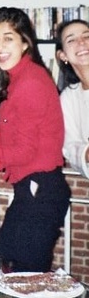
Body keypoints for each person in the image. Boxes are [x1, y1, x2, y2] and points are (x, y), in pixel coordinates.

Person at [0, 7, 71, 273]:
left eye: (8, 38)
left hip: (40, 188)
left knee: (25, 277)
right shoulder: (20, 77)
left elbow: (25, 152)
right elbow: (19, 127)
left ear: (25, 42)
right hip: (34, 188)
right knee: (10, 265)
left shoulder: (30, 82)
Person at [56, 19, 89, 179]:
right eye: (71, 40)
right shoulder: (69, 97)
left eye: (87, 36)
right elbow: (69, 146)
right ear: (63, 55)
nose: (81, 42)